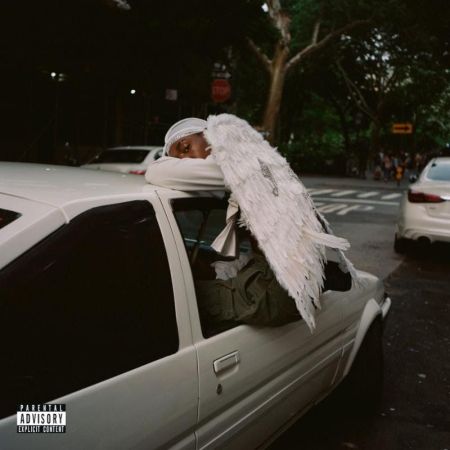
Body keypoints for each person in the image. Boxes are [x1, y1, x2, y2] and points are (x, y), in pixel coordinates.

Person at [146, 115, 351, 332]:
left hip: (277, 291)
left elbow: (155, 171)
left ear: (210, 135)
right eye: (179, 158)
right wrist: (220, 270)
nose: (186, 160)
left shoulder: (238, 165)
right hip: (291, 280)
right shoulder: (260, 163)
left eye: (186, 148)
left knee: (176, 301)